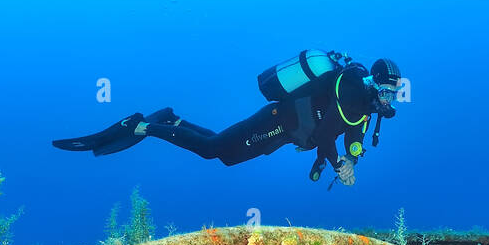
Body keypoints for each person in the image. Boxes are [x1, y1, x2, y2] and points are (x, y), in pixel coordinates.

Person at [53, 52, 401, 187]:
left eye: (392, 94)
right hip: (277, 121)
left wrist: (351, 157)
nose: (388, 100)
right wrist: (338, 162)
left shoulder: (367, 106)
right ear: (373, 82)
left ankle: (172, 121)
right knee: (212, 150)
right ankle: (142, 126)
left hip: (285, 134)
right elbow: (327, 134)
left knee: (226, 153)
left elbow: (352, 134)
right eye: (386, 91)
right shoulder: (353, 87)